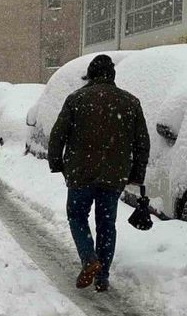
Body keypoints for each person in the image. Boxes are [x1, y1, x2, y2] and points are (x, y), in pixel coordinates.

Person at [47, 54, 150, 292]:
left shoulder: (76, 99)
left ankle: (89, 258)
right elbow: (142, 143)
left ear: (90, 75)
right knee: (106, 223)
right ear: (112, 76)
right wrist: (137, 173)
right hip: (113, 176)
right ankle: (102, 276)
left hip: (80, 173)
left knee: (77, 216)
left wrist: (57, 163)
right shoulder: (130, 102)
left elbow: (58, 135)